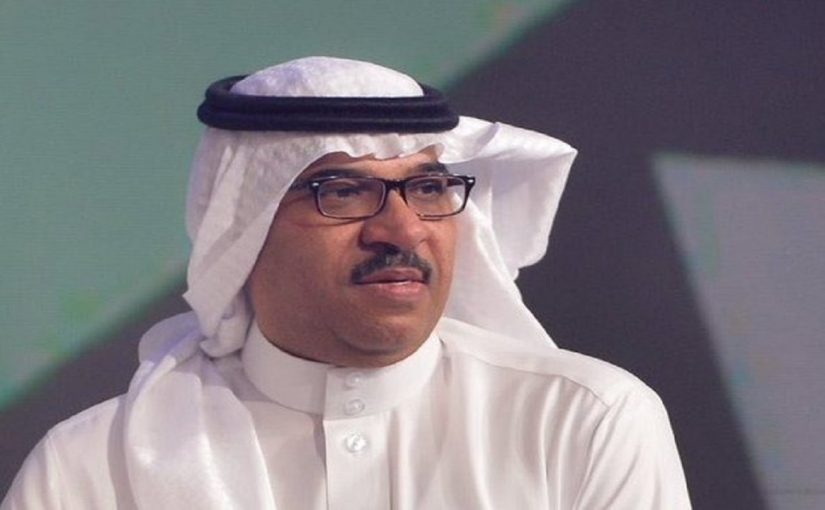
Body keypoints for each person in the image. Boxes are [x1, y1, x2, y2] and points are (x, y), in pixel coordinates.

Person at [2, 56, 691, 509]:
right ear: (244, 226)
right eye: (343, 192)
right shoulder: (93, 468)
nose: (403, 229)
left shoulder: (582, 420)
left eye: (427, 188)